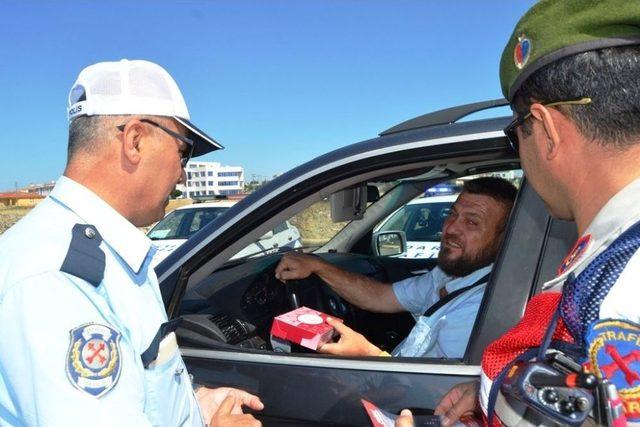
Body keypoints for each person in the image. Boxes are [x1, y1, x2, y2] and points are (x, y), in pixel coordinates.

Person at [413, 1, 640, 426]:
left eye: (516, 132)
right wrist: (495, 393)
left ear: (546, 129)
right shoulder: (608, 255)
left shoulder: (621, 288)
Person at [0, 60, 262, 426]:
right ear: (135, 139)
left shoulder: (107, 255)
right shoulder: (58, 281)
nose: (182, 174)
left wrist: (195, 404)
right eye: (183, 152)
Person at [275, 177, 517, 358]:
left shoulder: (483, 306)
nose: (451, 228)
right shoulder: (448, 274)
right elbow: (381, 297)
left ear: (504, 237)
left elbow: (443, 395)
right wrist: (318, 265)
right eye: (452, 214)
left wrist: (367, 355)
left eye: (472, 222)